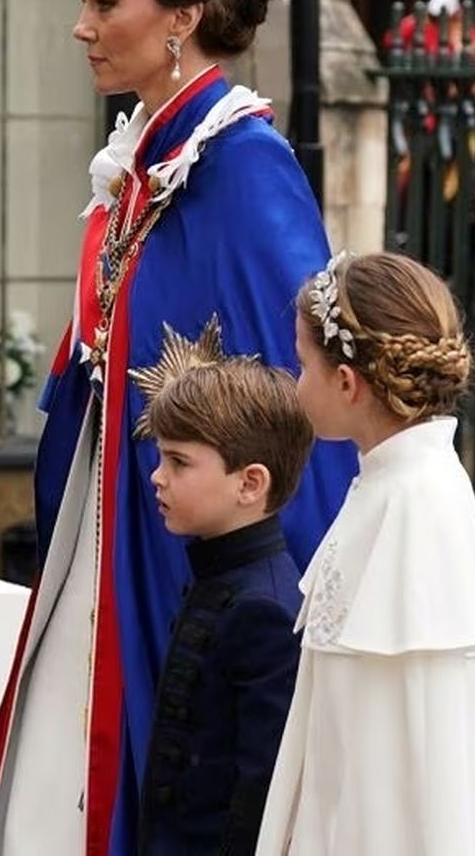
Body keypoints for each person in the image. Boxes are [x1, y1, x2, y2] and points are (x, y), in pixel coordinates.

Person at [0, 0, 355, 855]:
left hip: (180, 560)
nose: (80, 27)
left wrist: (294, 600)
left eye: (104, 3)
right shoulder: (143, 160)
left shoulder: (240, 162)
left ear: (180, 17)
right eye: (85, 1)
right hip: (109, 538)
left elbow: (307, 398)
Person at [257, 251, 475, 855]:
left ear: (347, 384)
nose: (296, 384)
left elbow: (415, 750)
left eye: (302, 365)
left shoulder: (415, 505)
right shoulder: (387, 485)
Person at [133, 321, 310, 854]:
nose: (156, 477)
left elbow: (257, 794)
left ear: (250, 483)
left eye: (179, 462)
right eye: (162, 457)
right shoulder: (217, 577)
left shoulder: (264, 610)